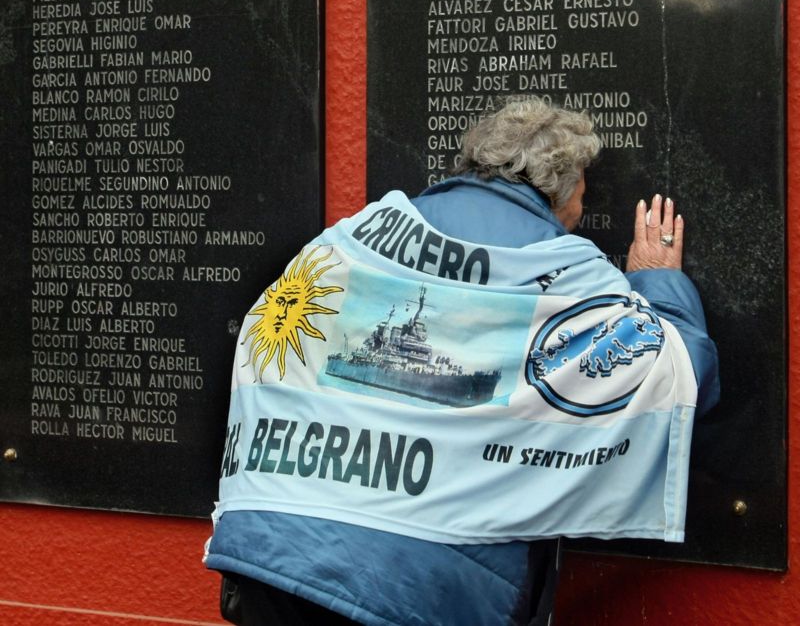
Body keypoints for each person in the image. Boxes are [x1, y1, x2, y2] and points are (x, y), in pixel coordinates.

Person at [205, 97, 719, 626]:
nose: (581, 214)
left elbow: (268, 331)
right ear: (559, 188)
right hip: (409, 589)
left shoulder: (350, 237)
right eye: (582, 195)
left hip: (268, 555)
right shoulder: (569, 268)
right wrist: (657, 279)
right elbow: (676, 377)